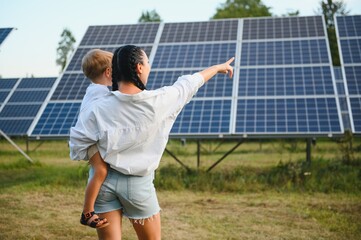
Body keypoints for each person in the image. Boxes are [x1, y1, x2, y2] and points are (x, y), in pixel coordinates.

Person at [69, 45, 234, 239]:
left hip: (103, 185)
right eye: (147, 63)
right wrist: (216, 68)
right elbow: (189, 83)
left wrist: (99, 164)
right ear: (139, 67)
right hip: (138, 186)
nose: (149, 67)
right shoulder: (160, 101)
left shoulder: (96, 106)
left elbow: (78, 141)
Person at [70, 49, 113, 229]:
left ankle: (88, 209)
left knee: (101, 170)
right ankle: (87, 212)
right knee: (101, 170)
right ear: (108, 72)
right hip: (89, 140)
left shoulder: (93, 90)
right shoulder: (101, 93)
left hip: (88, 138)